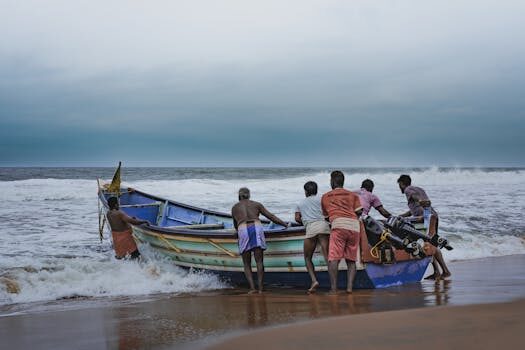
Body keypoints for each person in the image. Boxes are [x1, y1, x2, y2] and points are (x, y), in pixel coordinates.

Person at [231, 187, 288, 294]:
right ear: (249, 195)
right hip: (256, 227)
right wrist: (285, 224)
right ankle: (261, 289)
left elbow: (235, 225)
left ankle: (252, 288)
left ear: (239, 196)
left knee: (246, 263)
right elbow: (271, 216)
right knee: (259, 261)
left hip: (242, 228)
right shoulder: (256, 204)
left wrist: (237, 232)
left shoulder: (234, 208)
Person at [397, 175, 451, 279]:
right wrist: (402, 216)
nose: (399, 187)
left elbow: (417, 200)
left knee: (430, 244)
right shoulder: (419, 189)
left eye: (399, 185)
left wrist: (421, 201)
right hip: (432, 216)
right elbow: (415, 209)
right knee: (430, 243)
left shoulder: (408, 190)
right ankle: (437, 272)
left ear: (402, 183)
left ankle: (445, 271)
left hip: (425, 219)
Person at [321, 171, 363, 294]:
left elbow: (326, 216)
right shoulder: (352, 195)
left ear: (332, 181)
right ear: (343, 181)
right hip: (354, 226)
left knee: (333, 258)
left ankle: (334, 289)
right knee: (351, 260)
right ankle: (349, 288)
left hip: (338, 225)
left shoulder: (325, 196)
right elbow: (359, 212)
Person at [294, 181, 330, 293]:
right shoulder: (322, 199)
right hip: (323, 227)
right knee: (328, 258)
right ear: (316, 190)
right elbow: (328, 213)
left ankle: (314, 281)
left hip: (311, 229)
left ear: (305, 191)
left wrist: (305, 220)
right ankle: (334, 282)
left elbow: (297, 218)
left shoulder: (300, 203)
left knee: (307, 258)